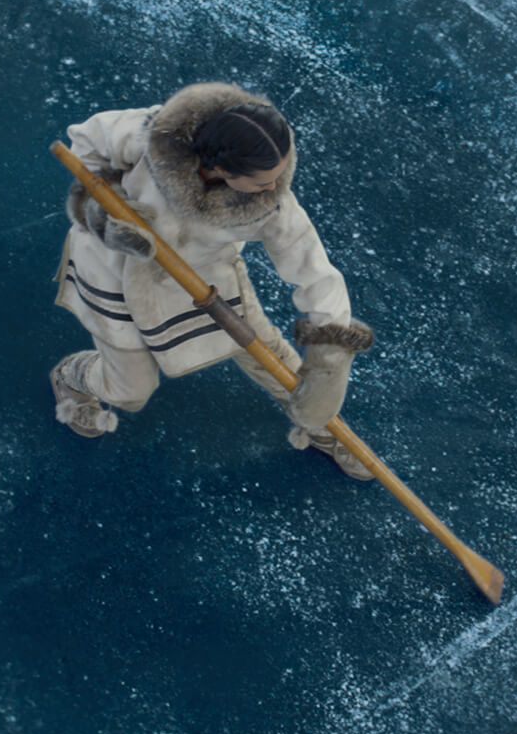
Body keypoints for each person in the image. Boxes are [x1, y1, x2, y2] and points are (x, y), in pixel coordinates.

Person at [48, 82, 375, 480]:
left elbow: (313, 267)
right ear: (220, 168)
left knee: (268, 356)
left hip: (205, 282)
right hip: (115, 271)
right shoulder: (149, 135)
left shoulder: (272, 204)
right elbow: (85, 142)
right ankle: (73, 375)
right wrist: (101, 210)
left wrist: (331, 353)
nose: (273, 188)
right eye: (261, 182)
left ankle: (325, 426)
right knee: (130, 393)